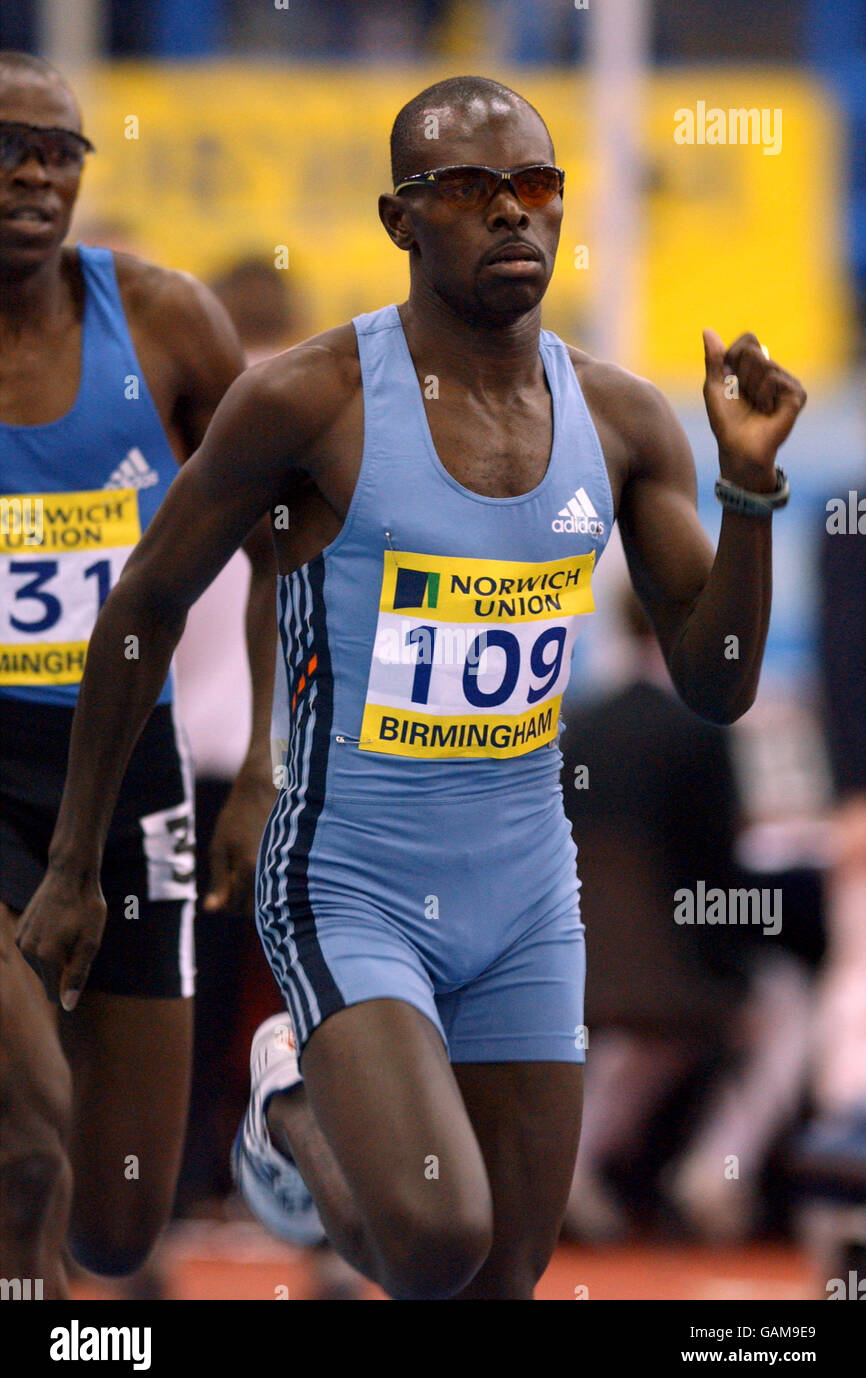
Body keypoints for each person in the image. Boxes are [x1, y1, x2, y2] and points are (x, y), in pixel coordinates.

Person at [16, 74, 807, 1300]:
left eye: (535, 189)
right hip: (350, 881)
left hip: (527, 895)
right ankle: (287, 1099)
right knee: (435, 1239)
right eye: (472, 192)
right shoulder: (309, 401)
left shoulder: (621, 418)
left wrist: (748, 489)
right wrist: (74, 863)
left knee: (502, 1273)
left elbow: (715, 684)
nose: (512, 217)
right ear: (399, 220)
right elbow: (142, 607)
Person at [0, 51, 276, 1295]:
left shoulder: (163, 320)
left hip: (129, 774)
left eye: (60, 149)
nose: (34, 172)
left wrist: (265, 762)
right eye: (9, 145)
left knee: (117, 1218)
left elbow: (294, 536)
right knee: (30, 1125)